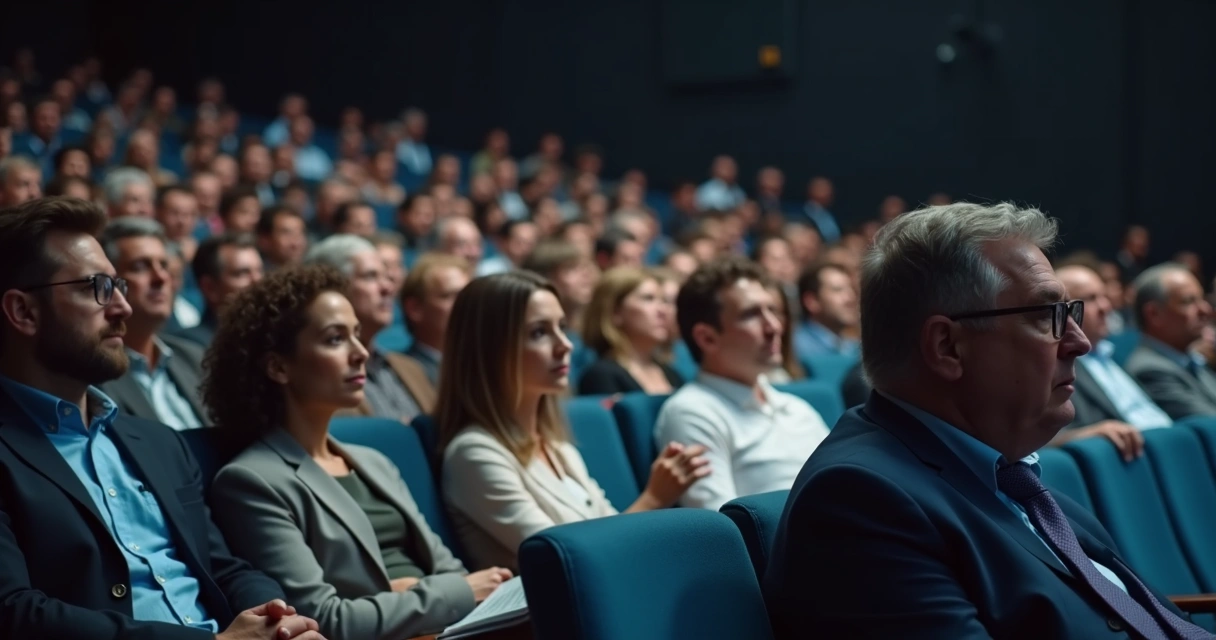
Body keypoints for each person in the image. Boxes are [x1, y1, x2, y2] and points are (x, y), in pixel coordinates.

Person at [765, 202, 1208, 638]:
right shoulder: (860, 502)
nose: (1079, 342)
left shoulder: (1011, 471)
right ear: (948, 347)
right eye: (1044, 315)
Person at [0, 196, 322, 639]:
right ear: (23, 312)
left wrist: (279, 620)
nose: (122, 308)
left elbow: (222, 567)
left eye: (119, 286)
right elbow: (15, 613)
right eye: (96, 287)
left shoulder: (158, 442)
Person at [204, 265, 508, 640]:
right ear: (278, 366)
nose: (361, 353)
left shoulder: (374, 461)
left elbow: (448, 568)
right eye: (335, 340)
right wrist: (450, 594)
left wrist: (417, 594)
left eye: (357, 336)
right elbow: (324, 619)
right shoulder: (251, 480)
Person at [438, 271, 710, 571]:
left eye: (562, 327)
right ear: (489, 349)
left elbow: (610, 531)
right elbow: (569, 558)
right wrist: (655, 497)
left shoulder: (556, 445)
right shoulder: (474, 453)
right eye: (539, 332)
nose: (565, 345)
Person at [655, 257, 828, 510]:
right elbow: (723, 530)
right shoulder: (692, 412)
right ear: (707, 338)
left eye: (773, 310)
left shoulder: (797, 408)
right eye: (751, 314)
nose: (774, 326)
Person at [96, 218, 209, 430]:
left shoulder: (193, 356)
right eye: (140, 266)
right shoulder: (95, 375)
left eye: (164, 265)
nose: (160, 278)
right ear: (109, 284)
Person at [1052, 263, 1171, 459]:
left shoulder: (1112, 356)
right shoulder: (1058, 370)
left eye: (1104, 297)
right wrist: (1084, 435)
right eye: (1090, 299)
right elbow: (1046, 439)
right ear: (1062, 311)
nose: (1106, 307)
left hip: (1164, 450)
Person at [1125, 263, 1216, 419]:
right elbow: (1210, 425)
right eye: (1188, 301)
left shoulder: (1192, 359)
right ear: (1154, 314)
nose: (1205, 309)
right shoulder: (1149, 369)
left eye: (1201, 298)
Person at [577, 267, 684, 396]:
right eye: (648, 299)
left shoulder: (672, 374)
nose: (662, 310)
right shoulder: (601, 376)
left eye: (663, 301)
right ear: (615, 312)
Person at [177, 232, 265, 348]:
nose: (258, 281)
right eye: (242, 273)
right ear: (210, 288)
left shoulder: (273, 338)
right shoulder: (190, 346)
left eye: (259, 271)